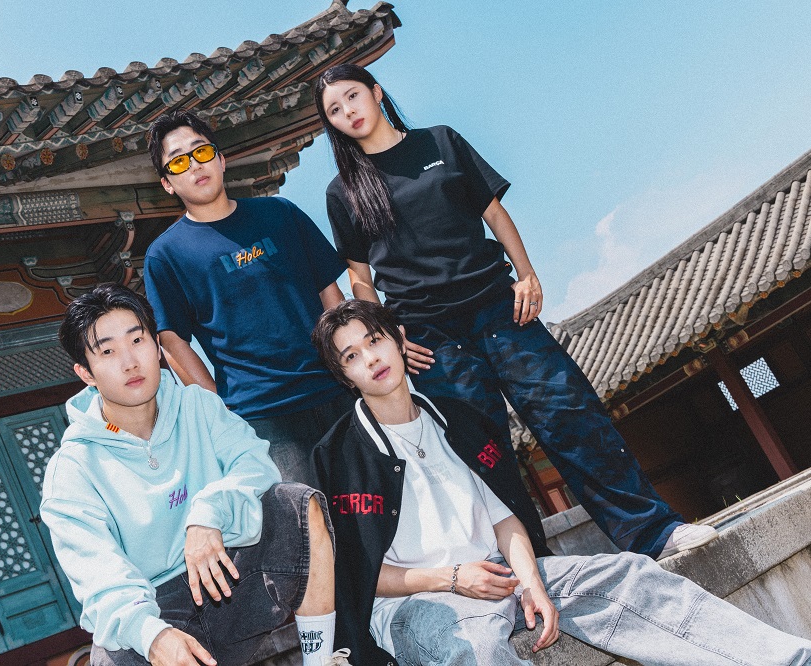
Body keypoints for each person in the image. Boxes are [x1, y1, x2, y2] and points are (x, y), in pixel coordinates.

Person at [314, 63, 714, 559]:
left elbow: (494, 213)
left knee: (572, 418)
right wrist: (389, 336)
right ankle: (532, 570)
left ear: (376, 92)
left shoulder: (440, 141)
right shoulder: (343, 192)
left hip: (503, 312)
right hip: (432, 340)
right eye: (335, 110)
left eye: (353, 96)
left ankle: (655, 533)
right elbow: (359, 277)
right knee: (484, 456)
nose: (348, 111)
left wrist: (526, 274)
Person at [310, 299, 811, 666]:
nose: (370, 358)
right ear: (344, 376)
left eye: (375, 340)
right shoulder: (340, 456)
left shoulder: (458, 420)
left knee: (629, 575)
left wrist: (530, 582)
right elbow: (360, 574)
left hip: (502, 574)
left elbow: (506, 519)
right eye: (351, 356)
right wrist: (454, 578)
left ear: (399, 341)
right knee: (476, 648)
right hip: (416, 602)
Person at [40, 283, 351, 666]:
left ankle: (321, 661)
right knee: (110, 656)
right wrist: (153, 635)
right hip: (154, 605)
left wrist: (207, 514)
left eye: (137, 340)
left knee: (296, 505)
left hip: (226, 576)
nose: (130, 362)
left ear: (157, 346)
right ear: (85, 373)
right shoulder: (73, 469)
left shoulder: (197, 406)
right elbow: (99, 573)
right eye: (107, 351)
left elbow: (255, 463)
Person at [143, 110, 353, 485]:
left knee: (379, 503)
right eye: (178, 161)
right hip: (261, 416)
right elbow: (172, 341)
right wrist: (219, 410)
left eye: (201, 152)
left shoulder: (279, 213)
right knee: (304, 515)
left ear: (221, 159)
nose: (194, 165)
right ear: (167, 183)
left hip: (335, 387)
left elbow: (330, 293)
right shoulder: (165, 255)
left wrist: (351, 359)